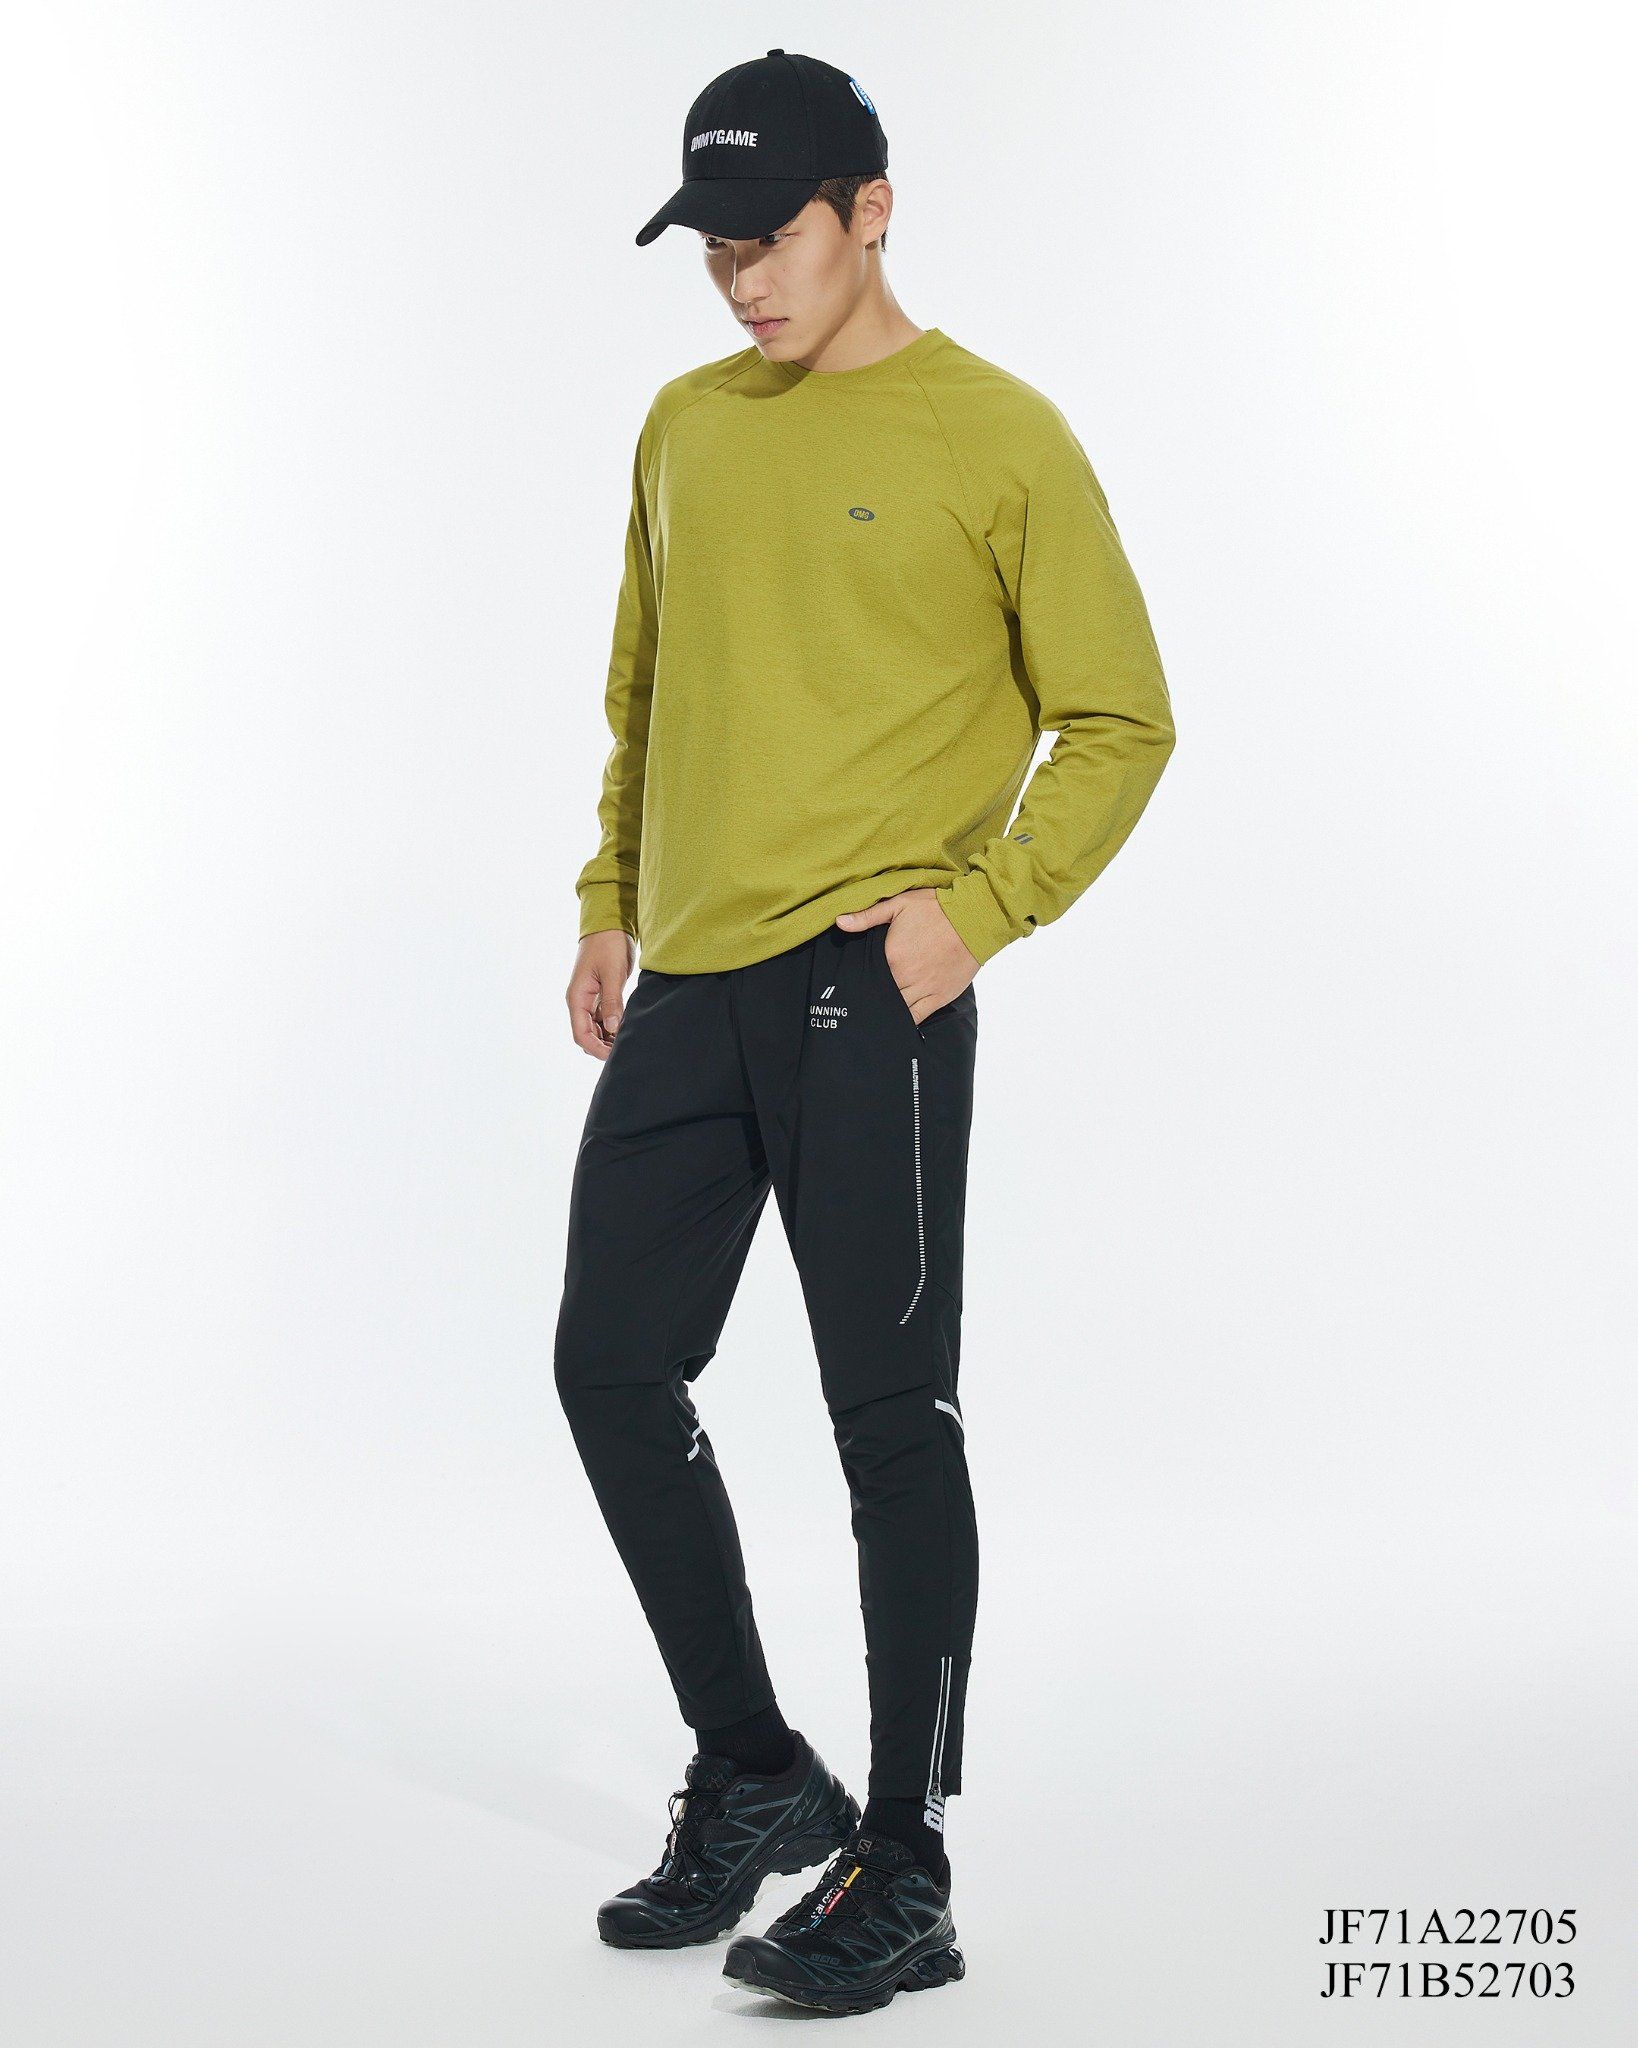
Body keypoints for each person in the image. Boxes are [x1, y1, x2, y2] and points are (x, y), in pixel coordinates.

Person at [553, 46, 1175, 2016]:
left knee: (887, 1419)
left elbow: (1122, 717)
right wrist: (608, 898)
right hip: (690, 981)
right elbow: (646, 689)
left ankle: (906, 1861)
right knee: (608, 1367)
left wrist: (974, 915)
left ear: (871, 211)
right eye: (715, 245)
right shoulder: (684, 425)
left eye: (775, 236)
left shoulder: (1001, 437)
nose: (743, 276)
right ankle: (756, 1768)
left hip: (862, 992)